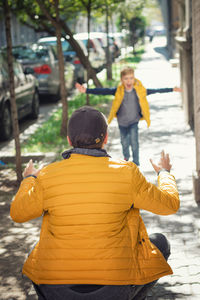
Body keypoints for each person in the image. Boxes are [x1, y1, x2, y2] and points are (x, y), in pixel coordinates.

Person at [10, 106, 180, 300]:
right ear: (106, 138)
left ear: (69, 140)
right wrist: (164, 173)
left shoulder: (47, 175)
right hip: (114, 288)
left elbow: (18, 213)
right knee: (161, 243)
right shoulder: (127, 172)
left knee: (35, 253)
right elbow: (169, 204)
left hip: (56, 289)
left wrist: (29, 179)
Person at [76, 67, 181, 166]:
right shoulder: (118, 91)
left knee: (134, 141)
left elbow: (156, 90)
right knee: (124, 142)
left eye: (131, 78)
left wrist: (172, 89)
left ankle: (136, 162)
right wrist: (86, 90)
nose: (129, 81)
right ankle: (126, 158)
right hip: (122, 122)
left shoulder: (140, 90)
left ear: (134, 79)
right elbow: (103, 91)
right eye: (126, 78)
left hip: (134, 121)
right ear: (122, 80)